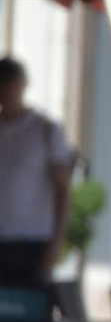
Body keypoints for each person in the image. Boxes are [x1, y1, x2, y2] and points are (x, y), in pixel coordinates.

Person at [0, 56, 73, 296]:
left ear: (21, 85)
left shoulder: (45, 129)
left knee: (27, 317)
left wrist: (55, 244)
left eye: (9, 84)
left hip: (32, 244)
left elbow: (62, 189)